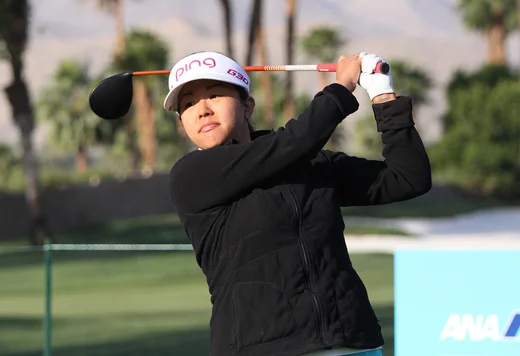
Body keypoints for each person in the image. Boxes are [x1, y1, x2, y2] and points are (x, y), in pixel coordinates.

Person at [165, 50, 432, 356]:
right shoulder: (191, 176)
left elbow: (408, 178)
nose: (202, 110)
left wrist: (383, 94)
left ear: (247, 106)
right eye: (187, 104)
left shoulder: (310, 164)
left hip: (353, 342)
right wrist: (340, 88)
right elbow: (294, 140)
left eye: (214, 95)